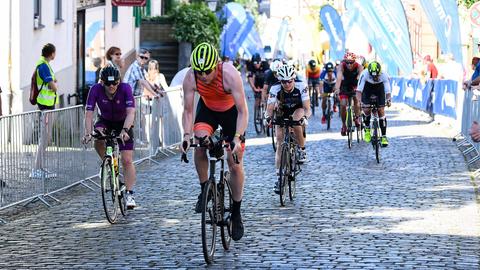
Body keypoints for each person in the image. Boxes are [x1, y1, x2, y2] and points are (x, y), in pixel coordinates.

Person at [181, 42, 248, 241]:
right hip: (208, 110)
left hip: (231, 114)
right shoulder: (190, 76)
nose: (203, 76)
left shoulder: (229, 74)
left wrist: (236, 138)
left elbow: (243, 111)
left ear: (216, 65)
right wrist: (186, 136)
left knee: (234, 163)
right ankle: (205, 190)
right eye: (199, 71)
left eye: (207, 71)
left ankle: (236, 212)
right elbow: (188, 110)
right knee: (199, 142)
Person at [82, 66, 137, 209]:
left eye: (115, 83)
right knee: (97, 137)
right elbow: (88, 114)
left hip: (123, 122)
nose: (112, 86)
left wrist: (125, 130)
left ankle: (130, 194)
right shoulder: (95, 89)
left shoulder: (125, 88)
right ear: (101, 82)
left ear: (119, 81)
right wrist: (88, 133)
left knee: (126, 160)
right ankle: (107, 163)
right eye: (108, 83)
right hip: (105, 120)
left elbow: (131, 112)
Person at [265, 64, 311, 194]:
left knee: (296, 121)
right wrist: (267, 118)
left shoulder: (301, 86)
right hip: (282, 110)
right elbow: (269, 109)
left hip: (298, 108)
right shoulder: (275, 88)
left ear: (293, 79)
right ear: (280, 81)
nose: (287, 84)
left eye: (289, 81)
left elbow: (307, 108)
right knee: (279, 142)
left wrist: (305, 117)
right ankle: (279, 179)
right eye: (284, 81)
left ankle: (302, 149)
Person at [30, 43, 59, 179]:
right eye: (55, 53)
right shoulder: (43, 66)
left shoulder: (43, 64)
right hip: (46, 106)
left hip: (47, 106)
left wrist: (54, 82)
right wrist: (55, 84)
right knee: (45, 137)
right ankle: (36, 169)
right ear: (52, 53)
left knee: (46, 137)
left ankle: (40, 167)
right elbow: (53, 87)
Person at [356, 61, 391, 147]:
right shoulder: (364, 74)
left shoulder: (384, 74)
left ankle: (383, 137)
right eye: (373, 75)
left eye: (377, 75)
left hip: (379, 89)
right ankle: (367, 129)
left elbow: (387, 90)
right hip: (367, 89)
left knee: (381, 110)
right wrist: (360, 101)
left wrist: (388, 100)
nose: (375, 77)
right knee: (366, 109)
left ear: (380, 72)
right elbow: (359, 90)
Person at [334, 52, 363, 136]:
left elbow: (361, 78)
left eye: (351, 62)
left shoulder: (359, 66)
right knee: (343, 104)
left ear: (354, 61)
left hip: (355, 83)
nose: (349, 64)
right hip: (345, 85)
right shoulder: (341, 66)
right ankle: (344, 125)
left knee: (356, 100)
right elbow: (339, 78)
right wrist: (337, 89)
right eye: (347, 62)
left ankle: (357, 117)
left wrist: (360, 89)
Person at [145, 59, 168, 149]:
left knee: (149, 124)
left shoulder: (146, 76)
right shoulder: (160, 76)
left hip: (147, 101)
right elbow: (166, 88)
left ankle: (151, 144)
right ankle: (162, 144)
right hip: (157, 102)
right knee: (160, 124)